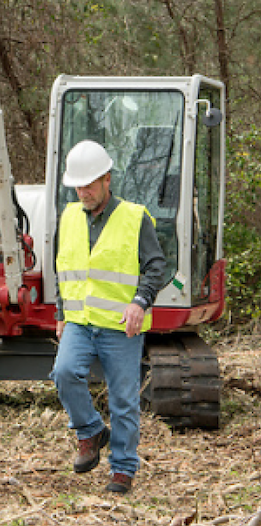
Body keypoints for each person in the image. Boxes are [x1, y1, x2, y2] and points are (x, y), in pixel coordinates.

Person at [52, 139, 166, 495]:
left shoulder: (135, 218)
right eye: (78, 186)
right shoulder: (69, 217)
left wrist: (140, 301)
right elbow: (65, 268)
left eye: (89, 185)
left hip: (120, 326)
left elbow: (155, 266)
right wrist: (60, 312)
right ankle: (89, 431)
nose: (83, 192)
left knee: (123, 400)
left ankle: (122, 469)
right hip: (80, 321)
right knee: (64, 372)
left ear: (107, 179)